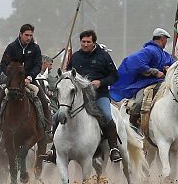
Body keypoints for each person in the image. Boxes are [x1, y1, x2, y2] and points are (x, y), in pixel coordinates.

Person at [42, 30, 121, 164]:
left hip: (99, 94)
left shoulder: (104, 56)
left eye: (88, 42)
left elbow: (115, 76)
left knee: (107, 115)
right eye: (83, 42)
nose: (85, 44)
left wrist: (101, 82)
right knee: (57, 117)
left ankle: (114, 148)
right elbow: (68, 75)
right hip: (77, 96)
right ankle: (54, 150)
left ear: (94, 42)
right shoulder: (76, 57)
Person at [0, 24, 51, 140]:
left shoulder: (35, 48)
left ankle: (47, 131)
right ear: (20, 34)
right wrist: (11, 76)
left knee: (44, 101)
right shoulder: (11, 47)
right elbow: (3, 64)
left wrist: (29, 77)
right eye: (26, 35)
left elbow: (37, 65)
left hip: (30, 80)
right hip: (13, 81)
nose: (29, 37)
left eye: (31, 35)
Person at [109, 27, 176, 127]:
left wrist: (169, 68)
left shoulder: (164, 54)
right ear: (162, 38)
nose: (166, 42)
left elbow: (173, 64)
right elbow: (137, 63)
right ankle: (134, 122)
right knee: (138, 103)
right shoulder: (149, 51)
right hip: (145, 83)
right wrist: (154, 72)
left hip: (162, 82)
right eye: (166, 39)